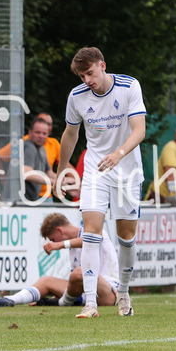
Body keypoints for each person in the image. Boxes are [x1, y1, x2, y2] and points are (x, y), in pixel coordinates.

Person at [56, 46, 146, 318]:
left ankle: (124, 293)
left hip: (127, 171)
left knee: (126, 238)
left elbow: (140, 129)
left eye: (90, 73)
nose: (87, 80)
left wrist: (119, 154)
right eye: (82, 76)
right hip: (96, 171)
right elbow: (70, 134)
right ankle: (90, 303)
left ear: (102, 65)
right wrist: (61, 170)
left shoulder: (129, 86)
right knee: (91, 234)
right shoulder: (77, 96)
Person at [0, 212, 121, 308]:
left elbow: (91, 241)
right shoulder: (72, 249)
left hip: (108, 293)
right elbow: (76, 283)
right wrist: (62, 291)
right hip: (84, 293)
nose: (53, 242)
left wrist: (60, 244)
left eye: (53, 239)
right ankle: (10, 300)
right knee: (46, 281)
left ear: (59, 230)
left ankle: (61, 303)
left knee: (79, 272)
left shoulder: (96, 232)